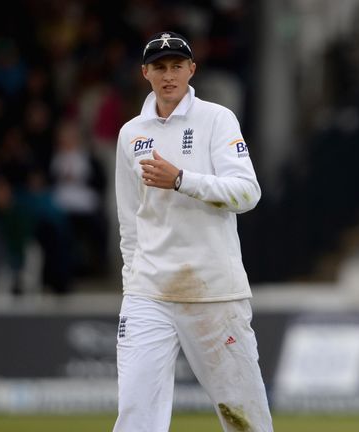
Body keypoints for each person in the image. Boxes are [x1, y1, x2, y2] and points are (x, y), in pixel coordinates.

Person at [113, 31, 272, 432]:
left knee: (243, 415)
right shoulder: (131, 133)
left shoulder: (217, 119)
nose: (169, 75)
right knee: (135, 411)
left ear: (191, 69)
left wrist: (182, 180)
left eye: (177, 66)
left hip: (214, 290)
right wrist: (132, 279)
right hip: (148, 291)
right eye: (159, 67)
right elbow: (129, 218)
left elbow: (247, 193)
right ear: (145, 73)